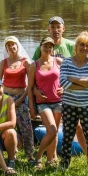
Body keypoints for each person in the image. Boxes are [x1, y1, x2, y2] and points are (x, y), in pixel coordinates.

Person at [32, 16, 87, 156]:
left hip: (70, 95)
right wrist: (35, 90)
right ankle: (52, 157)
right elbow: (33, 74)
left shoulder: (71, 45)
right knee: (53, 128)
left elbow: (78, 69)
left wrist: (68, 87)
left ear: (63, 29)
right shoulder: (43, 47)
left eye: (58, 27)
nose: (56, 30)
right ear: (48, 29)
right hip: (49, 99)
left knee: (78, 127)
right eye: (53, 27)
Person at [59, 31, 88, 175]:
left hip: (87, 105)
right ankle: (64, 166)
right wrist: (83, 83)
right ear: (76, 46)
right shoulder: (67, 62)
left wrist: (73, 78)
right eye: (82, 44)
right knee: (67, 136)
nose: (84, 48)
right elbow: (63, 82)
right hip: (69, 105)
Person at [0, 36, 34, 164]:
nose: (11, 47)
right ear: (6, 48)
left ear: (17, 46)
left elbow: (30, 84)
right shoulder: (3, 62)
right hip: (6, 98)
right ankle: (11, 154)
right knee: (8, 126)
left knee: (26, 127)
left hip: (21, 98)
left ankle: (30, 155)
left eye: (13, 45)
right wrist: (3, 99)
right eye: (8, 45)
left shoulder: (26, 62)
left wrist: (22, 99)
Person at [28, 37, 63, 169]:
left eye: (50, 46)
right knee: (52, 129)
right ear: (40, 47)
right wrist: (32, 107)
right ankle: (38, 157)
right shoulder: (34, 65)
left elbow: (68, 76)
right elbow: (30, 88)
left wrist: (64, 87)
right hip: (43, 103)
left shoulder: (58, 61)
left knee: (53, 132)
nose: (48, 49)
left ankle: (50, 160)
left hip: (58, 101)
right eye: (45, 46)